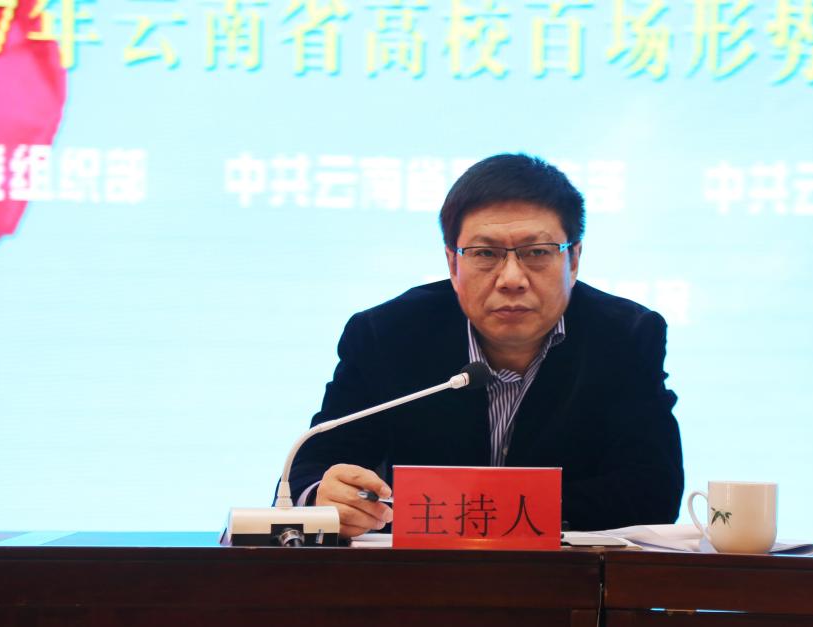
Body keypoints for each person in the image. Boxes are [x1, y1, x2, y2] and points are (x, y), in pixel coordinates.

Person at [286, 153, 682, 537]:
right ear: (453, 263)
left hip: (567, 576)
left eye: (537, 252)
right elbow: (310, 471)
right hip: (419, 574)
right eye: (485, 254)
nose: (512, 279)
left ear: (573, 259)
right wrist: (325, 498)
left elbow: (653, 494)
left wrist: (473, 513)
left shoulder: (626, 338)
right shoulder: (386, 335)